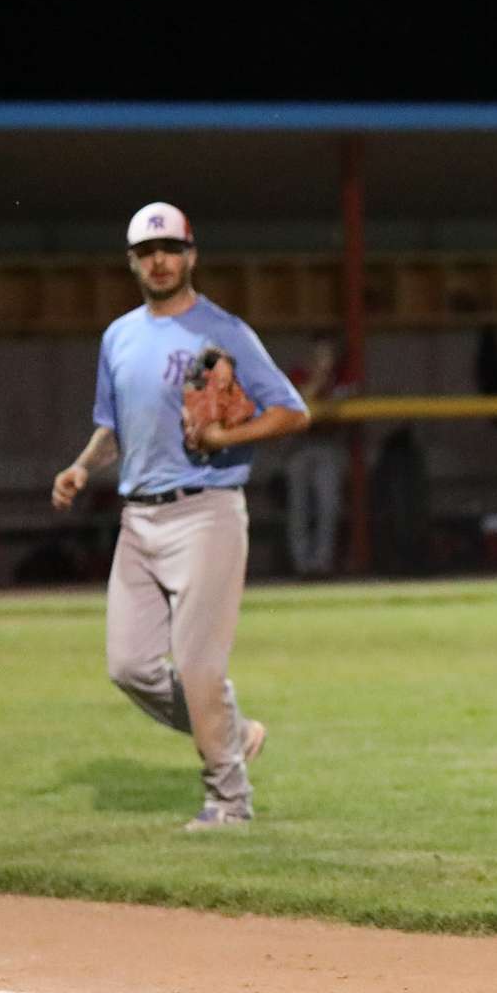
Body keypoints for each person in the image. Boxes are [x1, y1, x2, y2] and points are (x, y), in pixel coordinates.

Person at [50, 202, 310, 829]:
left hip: (206, 512)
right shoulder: (118, 337)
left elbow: (292, 411)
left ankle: (229, 800)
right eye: (147, 252)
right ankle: (234, 733)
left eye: (170, 248)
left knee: (198, 666)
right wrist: (83, 466)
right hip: (138, 518)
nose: (160, 260)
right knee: (130, 667)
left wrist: (227, 437)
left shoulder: (224, 332)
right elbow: (115, 426)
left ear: (191, 255)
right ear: (132, 262)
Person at [283, 336, 351, 577]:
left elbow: (344, 405)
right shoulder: (299, 374)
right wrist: (318, 378)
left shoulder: (341, 377)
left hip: (328, 445)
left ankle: (322, 565)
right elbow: (300, 402)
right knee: (298, 507)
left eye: (327, 354)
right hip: (300, 445)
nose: (323, 360)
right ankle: (301, 565)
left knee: (328, 505)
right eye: (318, 355)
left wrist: (328, 380)